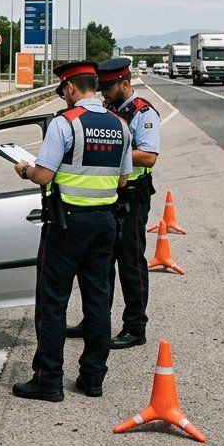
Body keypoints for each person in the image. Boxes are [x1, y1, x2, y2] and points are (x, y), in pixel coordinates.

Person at [10, 61, 131, 401]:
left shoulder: (65, 123)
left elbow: (43, 176)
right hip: (105, 225)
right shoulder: (120, 124)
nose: (63, 96)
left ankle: (48, 380)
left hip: (66, 226)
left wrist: (24, 169)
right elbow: (123, 180)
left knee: (52, 303)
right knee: (98, 303)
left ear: (71, 88)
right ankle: (92, 378)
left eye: (63, 90)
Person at [65, 57, 161, 349]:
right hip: (108, 194)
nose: (104, 92)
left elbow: (148, 156)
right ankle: (95, 320)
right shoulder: (106, 111)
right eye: (101, 87)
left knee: (130, 263)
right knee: (98, 264)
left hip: (132, 195)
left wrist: (108, 150)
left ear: (125, 83)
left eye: (108, 87)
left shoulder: (143, 113)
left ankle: (135, 327)